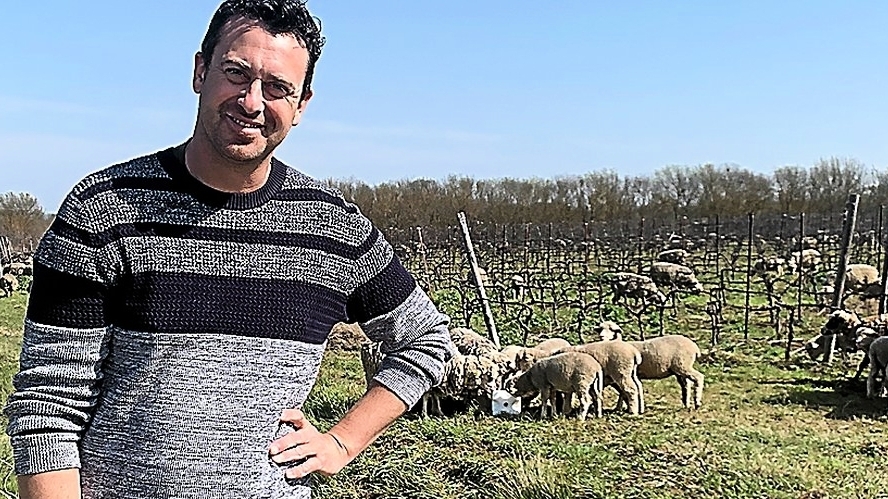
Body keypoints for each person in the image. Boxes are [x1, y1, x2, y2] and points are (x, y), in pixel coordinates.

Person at [4, 1, 453, 498]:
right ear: (200, 71)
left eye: (278, 88)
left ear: (302, 105)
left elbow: (428, 339)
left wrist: (342, 442)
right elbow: (47, 407)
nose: (252, 102)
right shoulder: (103, 209)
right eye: (236, 73)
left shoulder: (333, 228)